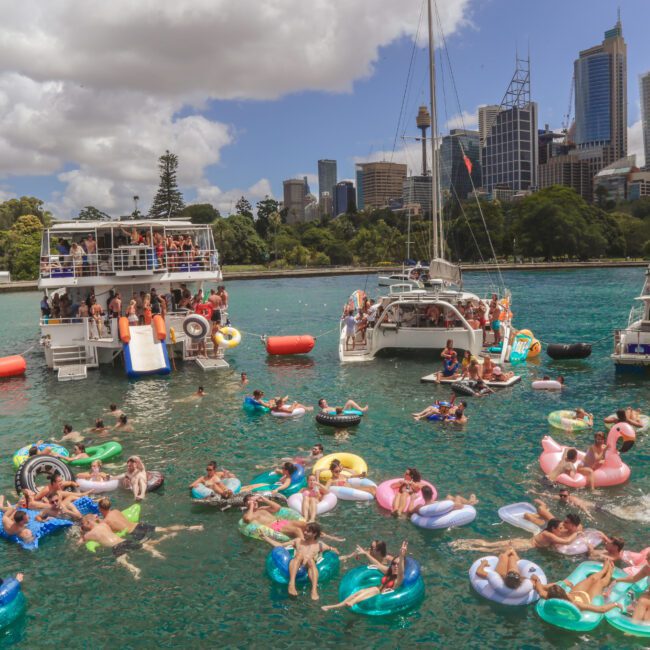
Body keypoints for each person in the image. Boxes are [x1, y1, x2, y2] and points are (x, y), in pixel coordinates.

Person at [78, 514, 174, 580]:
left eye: (83, 524)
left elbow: (80, 542)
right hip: (124, 541)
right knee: (144, 546)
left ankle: (134, 570)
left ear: (87, 523)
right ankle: (155, 552)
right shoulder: (104, 524)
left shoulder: (88, 535)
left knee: (122, 561)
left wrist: (81, 533)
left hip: (116, 547)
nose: (83, 527)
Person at [322, 541, 408, 611]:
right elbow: (377, 564)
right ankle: (333, 606)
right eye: (394, 564)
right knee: (359, 592)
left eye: (398, 564)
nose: (396, 566)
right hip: (377, 592)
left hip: (381, 600)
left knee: (374, 590)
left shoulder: (399, 578)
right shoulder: (388, 571)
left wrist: (401, 555)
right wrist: (365, 554)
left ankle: (352, 602)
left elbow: (401, 571)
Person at [264, 522, 339, 600]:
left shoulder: (320, 545)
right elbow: (281, 545)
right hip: (296, 563)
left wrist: (336, 554)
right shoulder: (298, 541)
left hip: (308, 566)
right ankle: (292, 584)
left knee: (310, 560)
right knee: (299, 555)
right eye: (305, 530)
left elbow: (332, 549)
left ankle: (314, 590)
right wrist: (266, 538)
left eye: (307, 531)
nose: (304, 532)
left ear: (314, 534)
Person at [531, 560, 622, 614]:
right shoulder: (575, 604)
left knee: (592, 578)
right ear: (563, 593)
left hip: (576, 592)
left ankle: (603, 570)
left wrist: (536, 579)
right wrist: (616, 604)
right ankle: (609, 572)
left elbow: (539, 589)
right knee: (599, 583)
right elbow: (601, 609)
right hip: (587, 597)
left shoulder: (548, 597)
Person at [243, 495, 344, 544]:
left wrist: (264, 499)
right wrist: (251, 506)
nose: (253, 502)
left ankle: (328, 537)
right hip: (274, 527)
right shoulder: (248, 514)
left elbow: (277, 508)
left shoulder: (262, 508)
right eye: (250, 501)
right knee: (297, 530)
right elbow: (248, 519)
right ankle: (306, 545)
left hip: (283, 522)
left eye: (253, 500)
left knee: (307, 525)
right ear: (246, 504)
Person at [450, 517, 582, 553]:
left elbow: (564, 535)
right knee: (491, 550)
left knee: (489, 544)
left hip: (522, 541)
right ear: (553, 528)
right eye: (560, 527)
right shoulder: (550, 535)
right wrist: (576, 533)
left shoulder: (548, 532)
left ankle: (462, 541)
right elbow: (566, 542)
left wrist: (574, 529)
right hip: (525, 545)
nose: (562, 529)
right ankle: (467, 548)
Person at [97, 498, 203, 541]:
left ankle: (167, 537)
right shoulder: (116, 511)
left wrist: (97, 521)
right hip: (139, 525)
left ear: (100, 508)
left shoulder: (105, 521)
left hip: (134, 532)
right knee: (165, 528)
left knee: (148, 545)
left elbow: (109, 531)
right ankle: (191, 527)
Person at [609, 557, 650, 623]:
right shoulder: (647, 568)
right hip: (648, 595)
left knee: (646, 620)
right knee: (642, 601)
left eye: (649, 558)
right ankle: (633, 626)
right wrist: (617, 580)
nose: (646, 559)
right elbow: (634, 578)